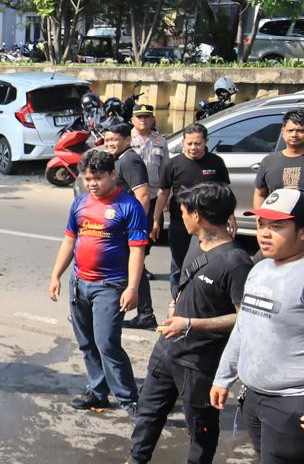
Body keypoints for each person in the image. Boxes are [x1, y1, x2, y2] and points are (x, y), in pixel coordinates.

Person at [92, 183, 251, 464]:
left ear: (198, 215)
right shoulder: (195, 241)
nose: (178, 217)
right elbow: (184, 286)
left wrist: (190, 323)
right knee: (148, 411)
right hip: (167, 349)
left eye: (182, 212)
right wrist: (175, 306)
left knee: (201, 424)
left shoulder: (236, 262)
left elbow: (242, 318)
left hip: (201, 360)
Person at [212, 188, 304, 464]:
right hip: (256, 397)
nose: (265, 233)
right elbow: (244, 328)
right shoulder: (260, 268)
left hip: (291, 403)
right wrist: (224, 375)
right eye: (263, 224)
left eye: (277, 226)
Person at [48, 149, 148, 412]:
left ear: (112, 174)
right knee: (87, 343)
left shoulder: (129, 206)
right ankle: (97, 391)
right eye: (88, 178)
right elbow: (69, 240)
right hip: (79, 284)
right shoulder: (80, 203)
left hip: (110, 286)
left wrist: (132, 287)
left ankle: (129, 399)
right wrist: (56, 275)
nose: (92, 183)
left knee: (107, 343)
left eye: (98, 178)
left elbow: (137, 250)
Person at [154, 123, 230, 297]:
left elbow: (224, 191)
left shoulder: (216, 162)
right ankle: (177, 299)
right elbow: (163, 193)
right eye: (189, 143)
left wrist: (230, 216)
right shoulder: (173, 164)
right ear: (183, 142)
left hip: (209, 223)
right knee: (178, 264)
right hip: (180, 222)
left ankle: (202, 297)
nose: (193, 147)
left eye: (197, 143)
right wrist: (155, 220)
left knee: (208, 263)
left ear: (206, 142)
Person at [101, 121, 158, 329]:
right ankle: (145, 314)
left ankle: (135, 313)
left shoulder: (129, 161)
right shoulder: (119, 158)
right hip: (121, 225)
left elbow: (143, 195)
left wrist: (135, 227)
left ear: (127, 139)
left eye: (115, 139)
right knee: (133, 268)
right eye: (107, 139)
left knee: (127, 268)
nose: (110, 143)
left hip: (129, 227)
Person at [252, 110, 304, 208]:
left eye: (300, 131)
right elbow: (260, 194)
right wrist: (260, 216)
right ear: (283, 132)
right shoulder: (269, 161)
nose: (294, 135)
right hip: (275, 216)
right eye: (290, 130)